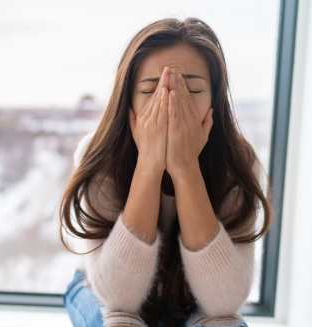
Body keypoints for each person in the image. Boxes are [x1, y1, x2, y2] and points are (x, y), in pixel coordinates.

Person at [57, 17, 273, 327]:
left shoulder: (237, 160)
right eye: (150, 91)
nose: (171, 104)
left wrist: (186, 168)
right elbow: (119, 298)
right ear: (127, 100)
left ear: (216, 99)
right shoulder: (99, 154)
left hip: (191, 297)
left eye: (193, 90)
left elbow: (223, 302)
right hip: (99, 288)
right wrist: (150, 163)